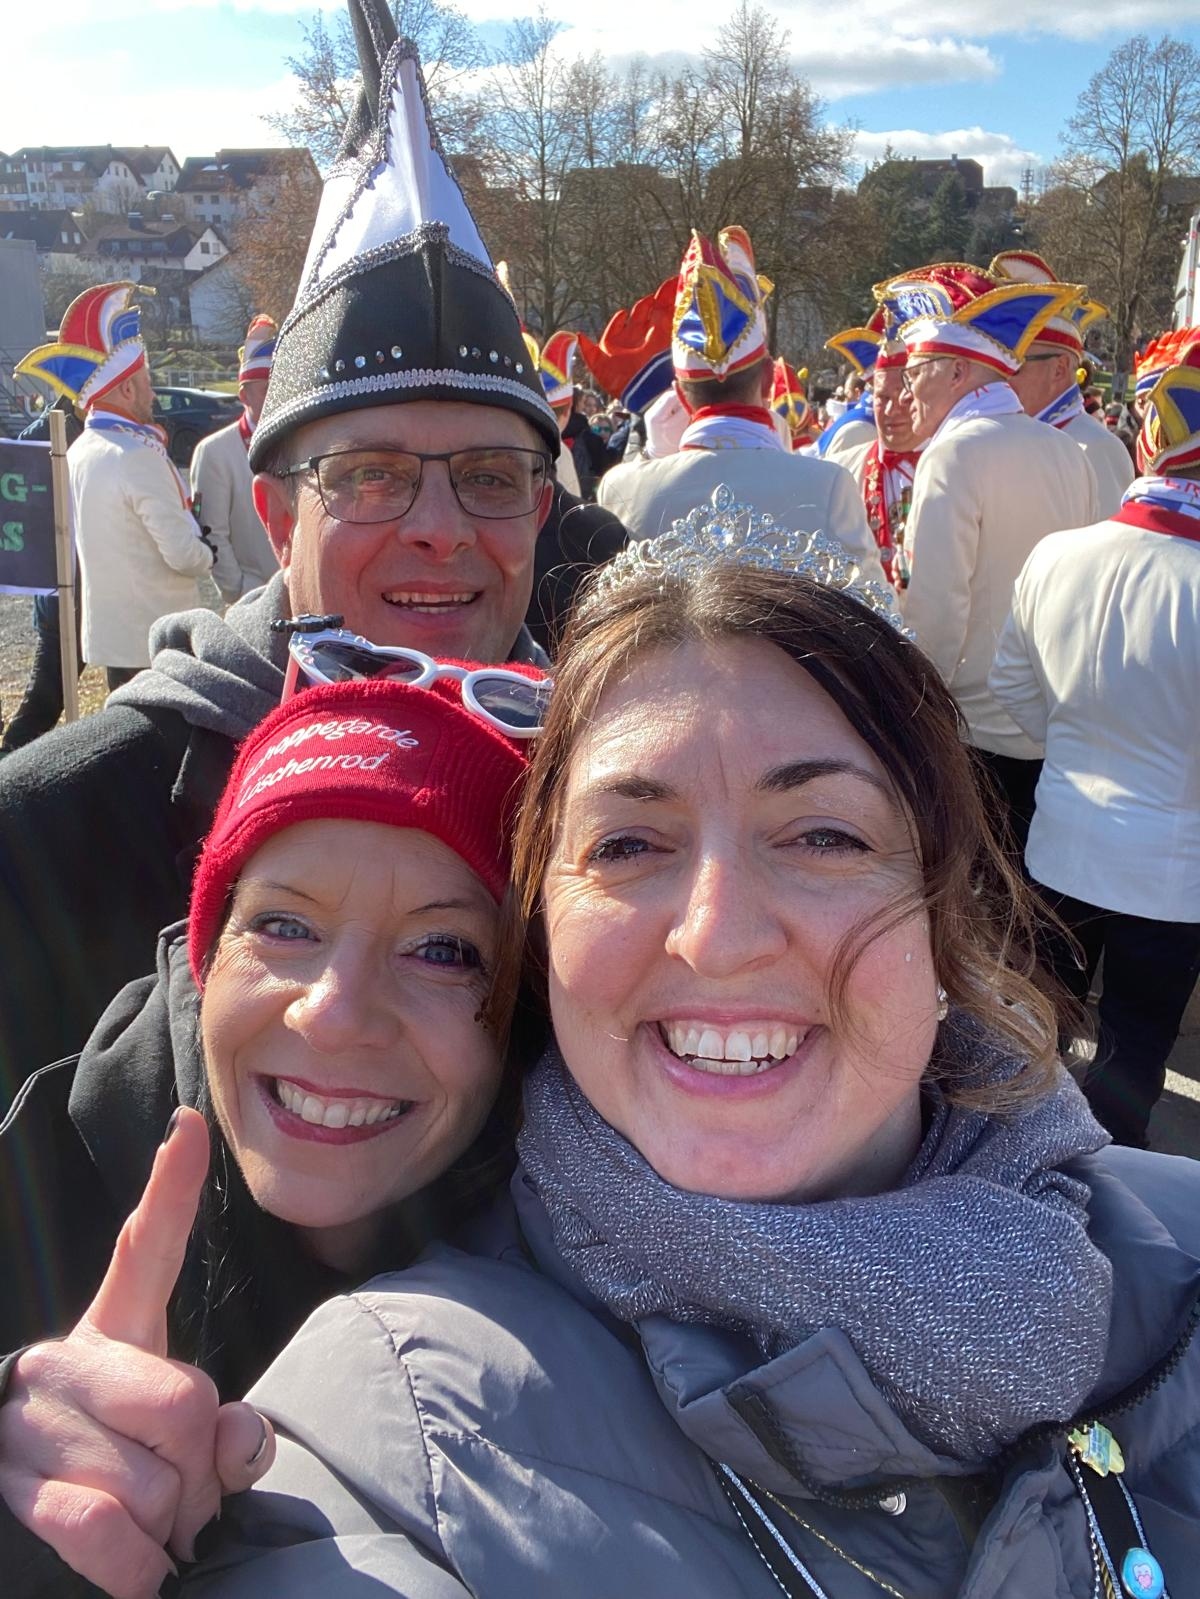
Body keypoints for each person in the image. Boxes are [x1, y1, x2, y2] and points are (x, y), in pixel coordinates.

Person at [186, 503, 1199, 1599]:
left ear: (944, 911)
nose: (717, 937)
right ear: (543, 931)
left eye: (824, 835)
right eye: (629, 844)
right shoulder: (395, 1439)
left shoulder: (1181, 1250)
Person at [0, 5, 570, 1103]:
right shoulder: (49, 840)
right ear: (275, 517)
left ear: (541, 510)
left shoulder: (609, 804)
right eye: (370, 474)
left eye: (492, 476)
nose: (441, 527)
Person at [0, 663, 537, 1598]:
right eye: (284, 925)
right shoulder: (40, 1179)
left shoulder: (576, 1260)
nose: (333, 1013)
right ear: (208, 956)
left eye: (443, 949)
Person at [991, 335, 1200, 1150]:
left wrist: (1076, 751)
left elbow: (1014, 689)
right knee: (1132, 1054)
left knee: (1037, 1033)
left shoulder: (1058, 555)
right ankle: (1108, 1185)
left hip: (1064, 839)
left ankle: (1022, 1161)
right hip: (1172, 875)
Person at [882, 261, 1099, 856]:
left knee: (981, 892)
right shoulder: (1065, 449)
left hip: (975, 729)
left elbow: (936, 610)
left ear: (957, 371)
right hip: (1051, 720)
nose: (908, 389)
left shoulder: (954, 454)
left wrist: (915, 711)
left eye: (916, 371)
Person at [598, 226, 874, 569]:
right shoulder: (829, 487)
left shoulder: (622, 489)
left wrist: (651, 455)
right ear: (769, 380)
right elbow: (875, 601)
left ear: (680, 396)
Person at [16, 282, 217, 693]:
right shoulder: (136, 455)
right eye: (147, 382)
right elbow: (182, 556)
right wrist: (206, 553)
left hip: (113, 641)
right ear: (126, 388)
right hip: (157, 641)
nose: (153, 392)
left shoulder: (81, 449)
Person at [991, 251, 1134, 517]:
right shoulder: (1008, 437)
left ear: (1059, 369)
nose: (1001, 378)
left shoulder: (1096, 447)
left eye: (1015, 366)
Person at [0, 397, 85, 753]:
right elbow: (21, 465)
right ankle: (11, 759)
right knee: (47, 697)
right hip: (63, 586)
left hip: (102, 584)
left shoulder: (106, 426)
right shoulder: (49, 430)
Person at [823, 328, 925, 587]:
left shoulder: (950, 466)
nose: (891, 410)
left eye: (903, 397)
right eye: (882, 398)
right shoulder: (840, 470)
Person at [189, 315, 281, 603]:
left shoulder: (301, 441)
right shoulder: (215, 452)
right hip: (252, 599)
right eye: (267, 389)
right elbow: (211, 532)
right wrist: (238, 591)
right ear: (244, 396)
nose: (277, 398)